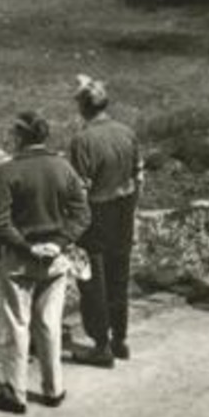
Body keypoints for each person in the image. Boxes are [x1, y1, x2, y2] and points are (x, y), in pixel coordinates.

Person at [0, 110, 91, 414]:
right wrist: (58, 243)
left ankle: (15, 394)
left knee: (16, 326)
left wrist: (27, 247)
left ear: (20, 137)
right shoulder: (63, 167)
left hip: (19, 261)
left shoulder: (8, 172)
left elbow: (0, 223)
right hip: (55, 261)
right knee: (49, 324)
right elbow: (82, 214)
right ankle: (53, 389)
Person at [68, 75, 142, 366]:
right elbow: (138, 175)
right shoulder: (126, 132)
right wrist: (132, 207)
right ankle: (120, 339)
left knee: (93, 281)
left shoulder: (83, 141)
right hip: (124, 209)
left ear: (83, 107)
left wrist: (74, 225)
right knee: (119, 276)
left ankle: (101, 345)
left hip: (96, 215)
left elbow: (79, 189)